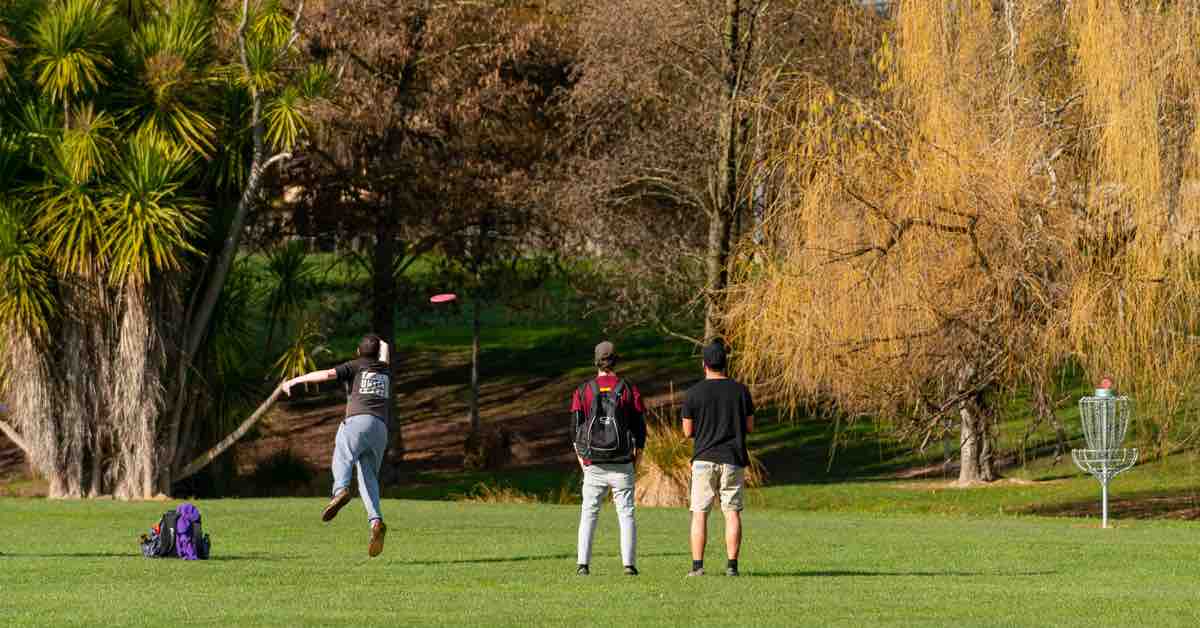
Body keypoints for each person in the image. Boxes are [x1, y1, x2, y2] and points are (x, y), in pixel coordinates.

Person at [282, 334, 392, 557]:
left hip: (357, 421)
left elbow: (325, 374)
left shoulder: (356, 365)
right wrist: (379, 341)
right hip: (380, 429)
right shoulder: (384, 369)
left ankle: (340, 490)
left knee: (343, 453)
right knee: (368, 477)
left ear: (359, 352)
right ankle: (376, 521)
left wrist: (294, 381)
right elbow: (385, 347)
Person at [571, 341, 647, 576]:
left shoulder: (583, 390)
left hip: (593, 462)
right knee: (626, 513)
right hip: (622, 462)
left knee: (589, 512)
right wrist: (637, 459)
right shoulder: (628, 389)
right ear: (616, 360)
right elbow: (640, 430)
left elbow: (574, 431)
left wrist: (583, 462)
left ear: (596, 361)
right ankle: (629, 565)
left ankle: (583, 564)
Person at [681, 339, 754, 577]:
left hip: (703, 459)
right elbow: (750, 426)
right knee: (731, 512)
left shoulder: (693, 393)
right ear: (725, 364)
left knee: (700, 512)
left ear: (704, 365)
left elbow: (687, 431)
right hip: (732, 458)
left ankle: (697, 566)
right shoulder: (741, 391)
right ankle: (732, 566)